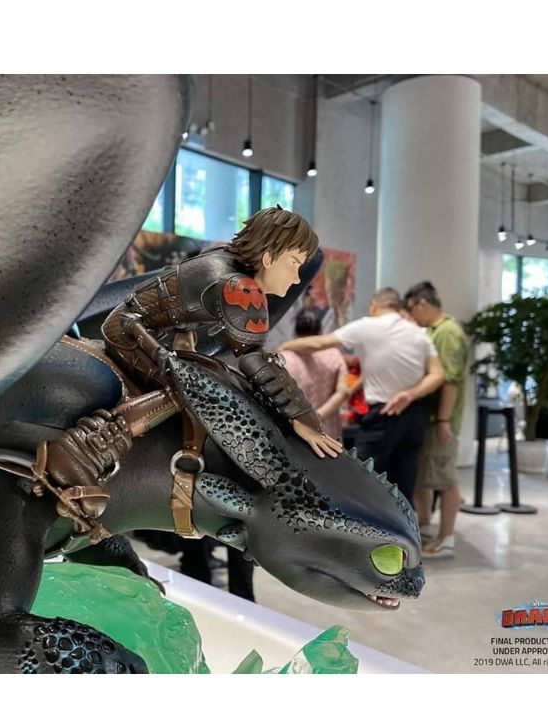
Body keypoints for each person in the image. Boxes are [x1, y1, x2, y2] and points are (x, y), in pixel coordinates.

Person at [40, 206, 343, 542]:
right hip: (131, 333)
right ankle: (82, 451)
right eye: (294, 263)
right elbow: (255, 361)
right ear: (269, 257)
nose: (297, 278)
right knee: (187, 392)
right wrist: (303, 417)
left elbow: (184, 299)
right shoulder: (240, 288)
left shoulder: (226, 261)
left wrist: (185, 340)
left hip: (151, 331)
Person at [279, 287, 444, 508]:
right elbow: (437, 374)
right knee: (404, 483)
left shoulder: (368, 325)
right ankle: (403, 529)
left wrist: (285, 346)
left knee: (362, 481)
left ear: (374, 305)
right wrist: (409, 394)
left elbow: (318, 343)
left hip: (383, 415)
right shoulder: (419, 333)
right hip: (415, 415)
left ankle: (366, 528)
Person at [404, 281, 469, 558]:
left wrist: (443, 420)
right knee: (427, 476)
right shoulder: (434, 330)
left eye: (412, 310)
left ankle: (446, 538)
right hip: (430, 417)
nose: (412, 317)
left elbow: (450, 380)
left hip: (440, 419)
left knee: (444, 478)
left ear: (422, 305)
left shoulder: (448, 332)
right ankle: (425, 525)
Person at [280, 310, 348, 439]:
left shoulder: (284, 358)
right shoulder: (334, 355)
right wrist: (319, 414)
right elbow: (343, 392)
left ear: (295, 330)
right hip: (328, 433)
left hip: (295, 432)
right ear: (320, 330)